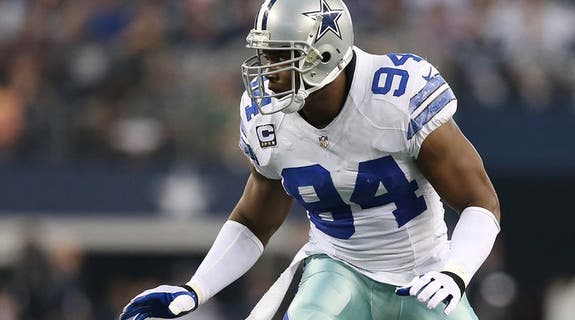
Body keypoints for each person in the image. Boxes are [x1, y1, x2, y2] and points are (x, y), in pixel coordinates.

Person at [119, 0, 501, 319]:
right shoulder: (265, 116)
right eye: (264, 56)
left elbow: (480, 201)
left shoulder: (397, 95)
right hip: (336, 269)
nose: (266, 73)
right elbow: (254, 221)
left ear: (323, 55)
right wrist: (196, 288)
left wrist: (456, 271)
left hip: (423, 275)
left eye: (279, 57)